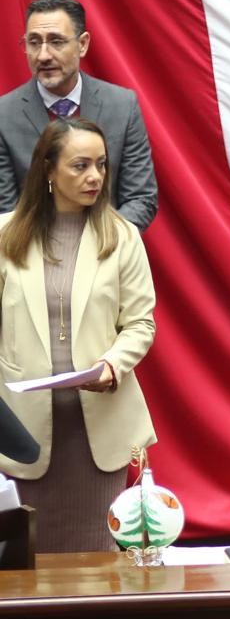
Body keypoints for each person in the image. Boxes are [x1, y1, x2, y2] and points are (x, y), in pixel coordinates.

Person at [0, 118, 157, 552]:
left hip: (98, 431)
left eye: (101, 165)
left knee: (94, 561)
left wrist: (113, 364)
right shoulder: (4, 235)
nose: (95, 177)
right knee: (26, 560)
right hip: (21, 430)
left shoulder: (122, 236)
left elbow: (140, 323)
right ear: (48, 170)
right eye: (80, 165)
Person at [0, 0, 158, 231]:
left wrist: (96, 244)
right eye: (34, 42)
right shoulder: (4, 115)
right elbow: (5, 209)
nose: (43, 55)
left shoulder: (122, 105)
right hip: (31, 248)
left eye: (56, 41)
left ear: (82, 44)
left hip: (108, 246)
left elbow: (141, 198)